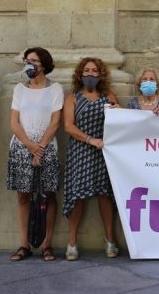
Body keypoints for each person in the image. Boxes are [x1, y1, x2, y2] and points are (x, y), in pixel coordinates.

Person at [7, 47, 63, 262]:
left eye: (33, 61)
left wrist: (40, 147)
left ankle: (47, 244)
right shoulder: (20, 89)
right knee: (23, 195)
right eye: (27, 60)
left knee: (49, 194)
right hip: (22, 147)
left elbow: (55, 122)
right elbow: (14, 122)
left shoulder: (55, 88)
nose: (29, 64)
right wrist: (30, 146)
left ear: (44, 64)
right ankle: (24, 244)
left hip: (46, 147)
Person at [62, 57, 120, 261]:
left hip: (105, 149)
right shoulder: (73, 97)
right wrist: (89, 139)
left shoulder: (109, 96)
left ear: (100, 74)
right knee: (78, 195)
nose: (90, 74)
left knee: (105, 195)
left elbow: (120, 121)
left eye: (94, 71)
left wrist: (117, 112)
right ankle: (72, 241)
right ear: (80, 74)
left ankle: (110, 239)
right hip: (80, 150)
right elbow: (68, 126)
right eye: (86, 70)